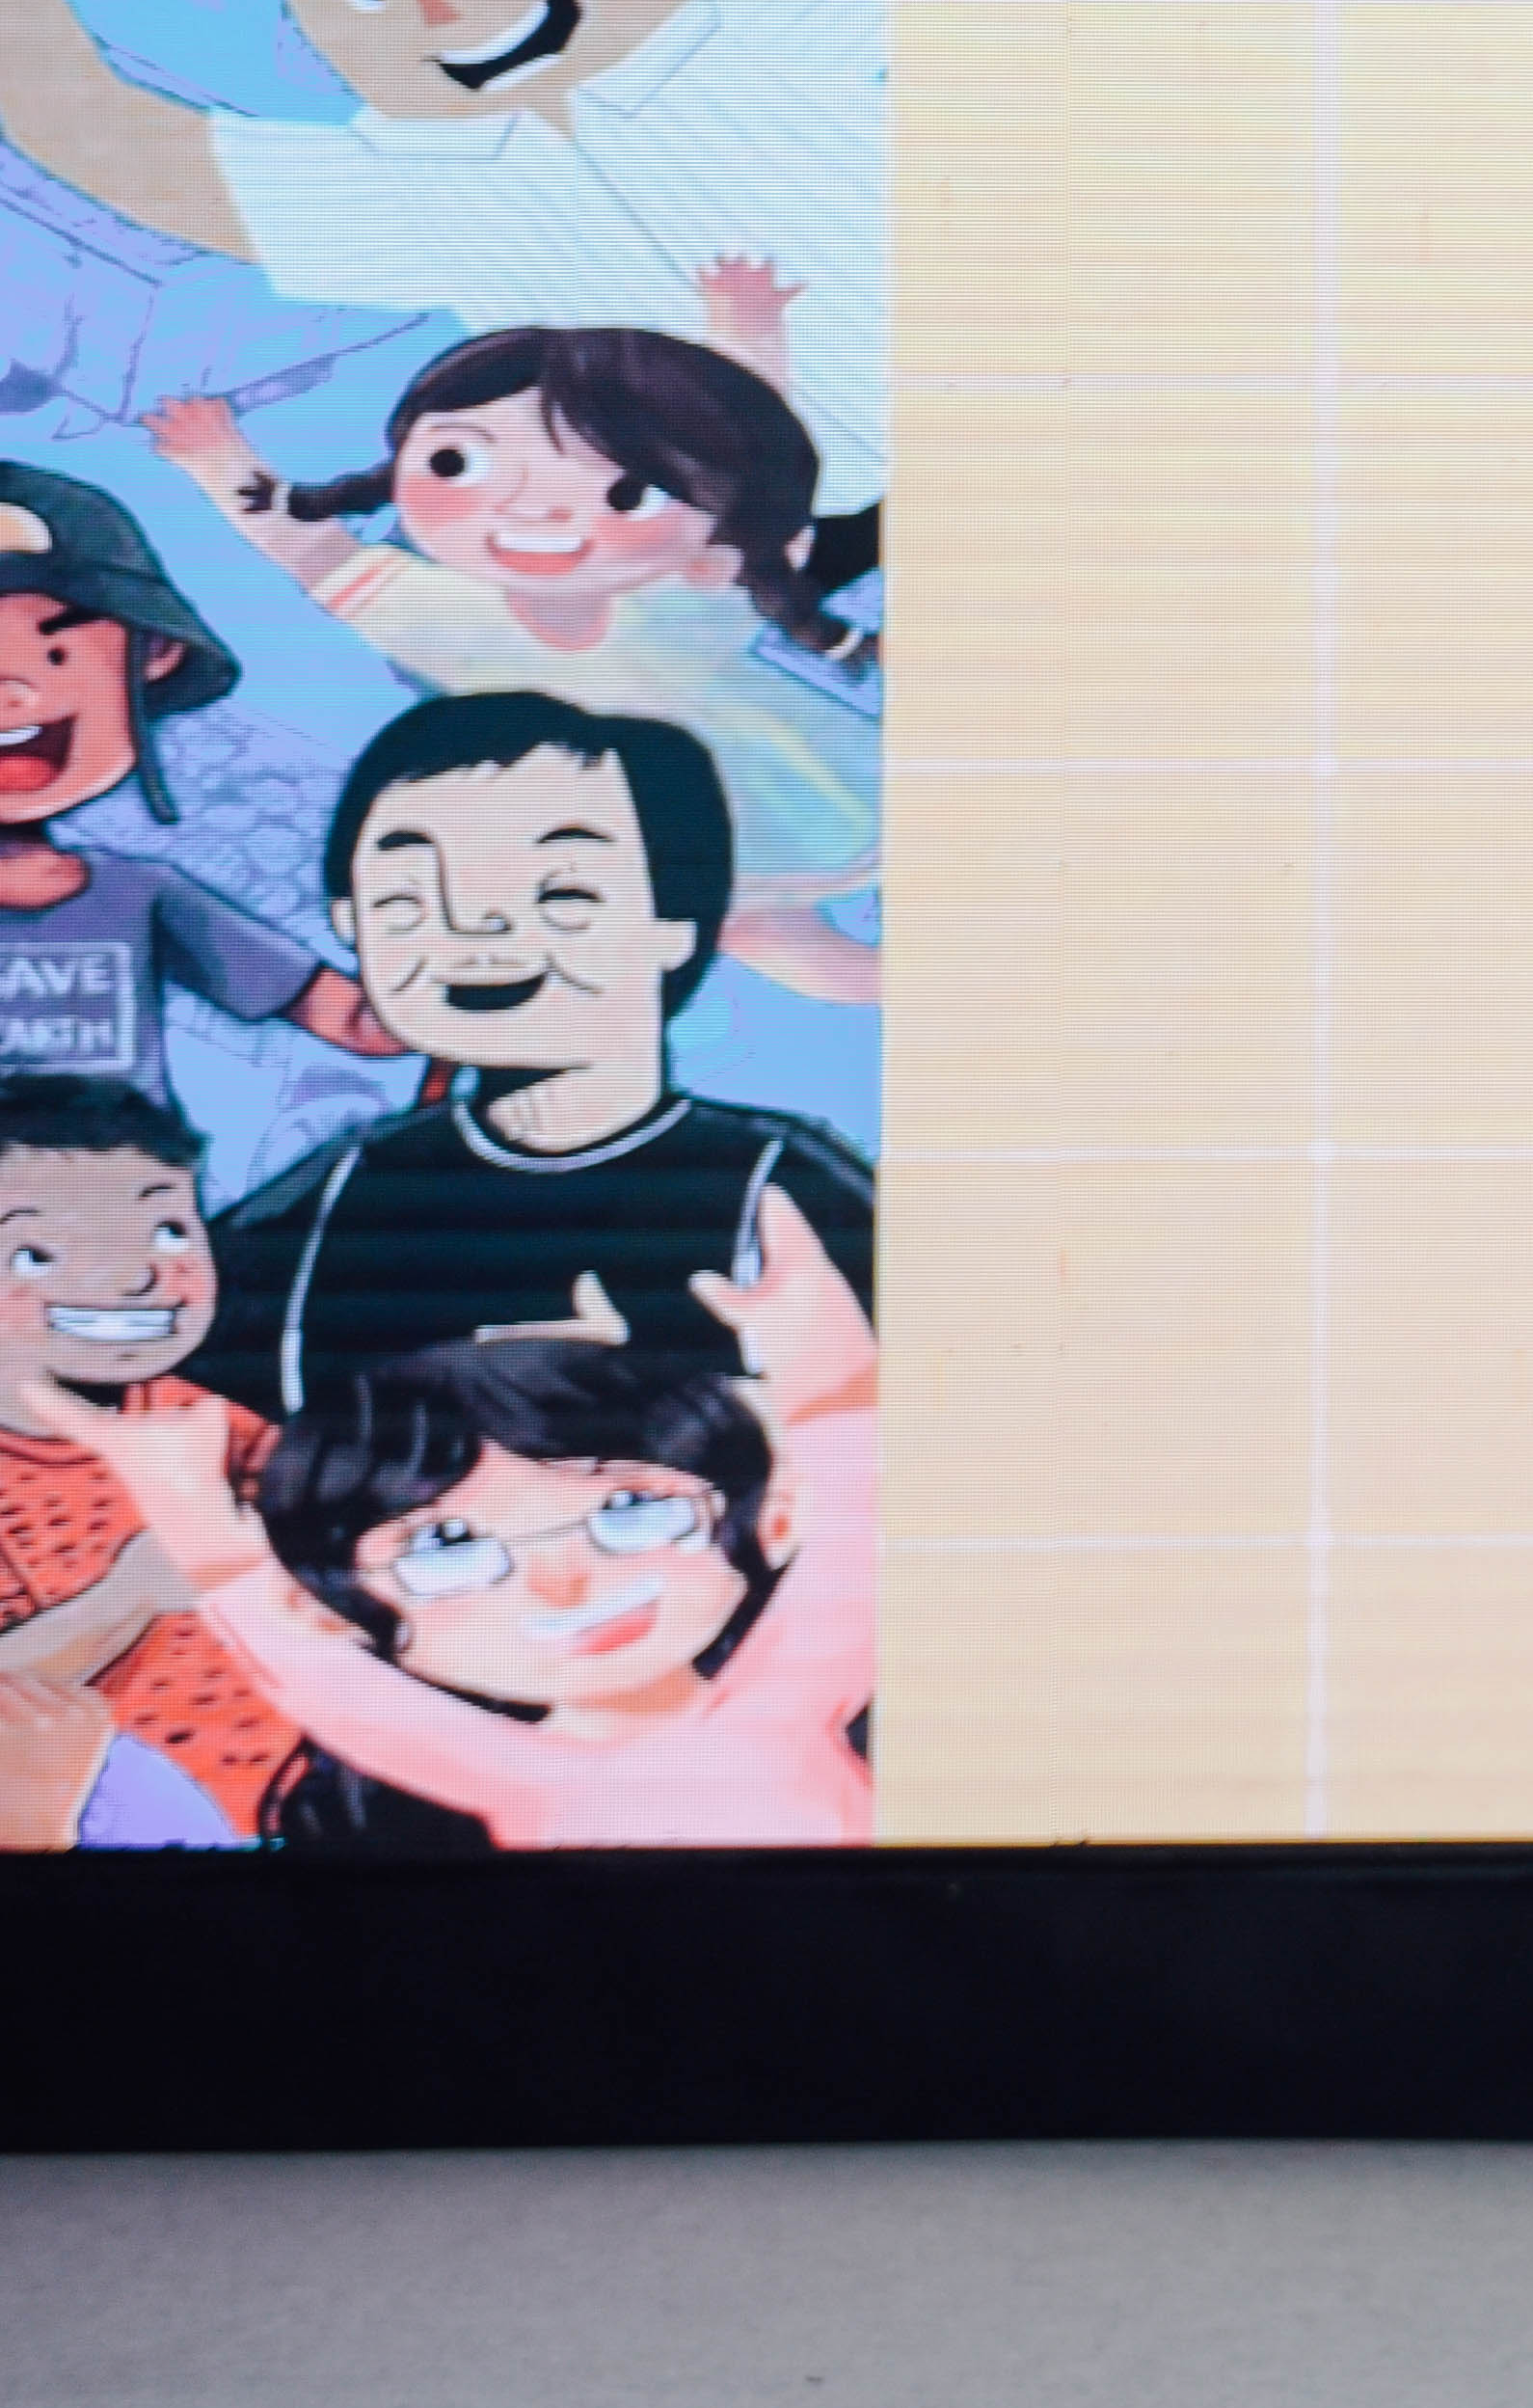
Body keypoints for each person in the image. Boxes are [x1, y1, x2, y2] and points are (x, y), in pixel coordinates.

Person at [0, 0, 892, 507]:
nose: (439, 8)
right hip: (785, 525)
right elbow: (104, 135)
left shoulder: (753, 15)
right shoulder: (411, 187)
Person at [24, 1189, 876, 1848]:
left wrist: (827, 1359)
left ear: (770, 1516)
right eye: (449, 1548)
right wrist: (180, 1501)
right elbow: (313, 1675)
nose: (563, 1578)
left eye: (626, 1509)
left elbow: (857, 1536)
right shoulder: (512, 1771)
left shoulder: (788, 1691)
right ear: (336, 1606)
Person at [157, 326, 884, 1005]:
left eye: (625, 493)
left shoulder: (689, 578)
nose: (534, 515)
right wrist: (218, 461)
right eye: (458, 463)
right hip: (675, 817)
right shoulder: (449, 617)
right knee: (765, 936)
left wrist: (745, 324)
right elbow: (314, 553)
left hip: (797, 771)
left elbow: (744, 444)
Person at [189, 694, 876, 1413]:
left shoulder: (775, 1184)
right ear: (351, 922)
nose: (473, 931)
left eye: (562, 894)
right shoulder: (345, 1187)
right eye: (408, 900)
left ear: (674, 920)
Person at [0, 464, 392, 1089]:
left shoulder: (136, 896)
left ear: (155, 654)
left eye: (56, 654)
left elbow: (355, 1023)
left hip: (120, 1183)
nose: (11, 695)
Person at [0, 1074, 291, 1844]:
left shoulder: (222, 1428)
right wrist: (130, 1595)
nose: (132, 1278)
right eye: (38, 1252)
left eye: (166, 1232)